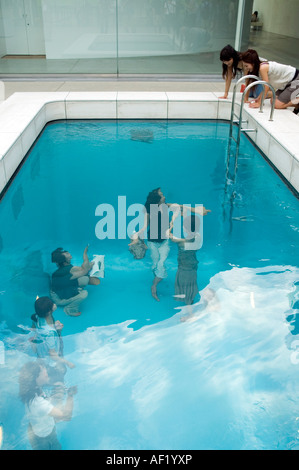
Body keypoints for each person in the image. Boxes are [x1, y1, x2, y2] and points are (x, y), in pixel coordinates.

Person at [19, 361, 77, 451]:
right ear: (36, 378)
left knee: (57, 447)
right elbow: (67, 416)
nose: (46, 370)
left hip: (38, 428)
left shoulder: (32, 390)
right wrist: (70, 395)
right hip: (41, 438)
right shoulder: (39, 404)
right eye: (43, 370)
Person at [129, 188, 170, 301]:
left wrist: (195, 210)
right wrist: (137, 238)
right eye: (162, 195)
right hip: (152, 242)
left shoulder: (165, 206)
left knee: (161, 263)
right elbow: (144, 227)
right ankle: (156, 277)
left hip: (165, 241)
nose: (164, 196)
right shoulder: (150, 210)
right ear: (157, 199)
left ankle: (154, 285)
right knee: (155, 264)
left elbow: (179, 207)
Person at [30, 296, 75, 380]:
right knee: (62, 371)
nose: (54, 304)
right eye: (52, 304)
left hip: (41, 350)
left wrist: (54, 326)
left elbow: (34, 329)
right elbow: (53, 355)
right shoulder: (50, 334)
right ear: (49, 312)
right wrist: (68, 363)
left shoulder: (36, 316)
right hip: (50, 358)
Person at [50, 246, 100, 317]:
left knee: (84, 278)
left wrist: (90, 265)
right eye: (65, 253)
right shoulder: (68, 270)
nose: (67, 252)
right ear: (63, 259)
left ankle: (75, 290)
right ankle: (70, 309)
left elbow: (83, 270)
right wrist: (85, 253)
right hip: (59, 299)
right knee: (84, 294)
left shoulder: (65, 268)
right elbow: (84, 270)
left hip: (58, 292)